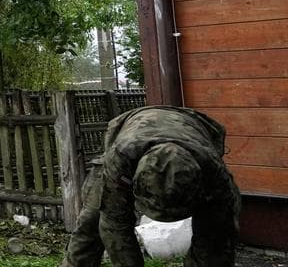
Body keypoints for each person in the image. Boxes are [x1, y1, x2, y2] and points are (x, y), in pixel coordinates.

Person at [60, 105, 240, 267]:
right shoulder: (121, 157)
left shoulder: (212, 170)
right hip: (130, 136)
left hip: (195, 134)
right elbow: (114, 225)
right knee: (92, 220)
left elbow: (220, 234)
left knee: (215, 237)